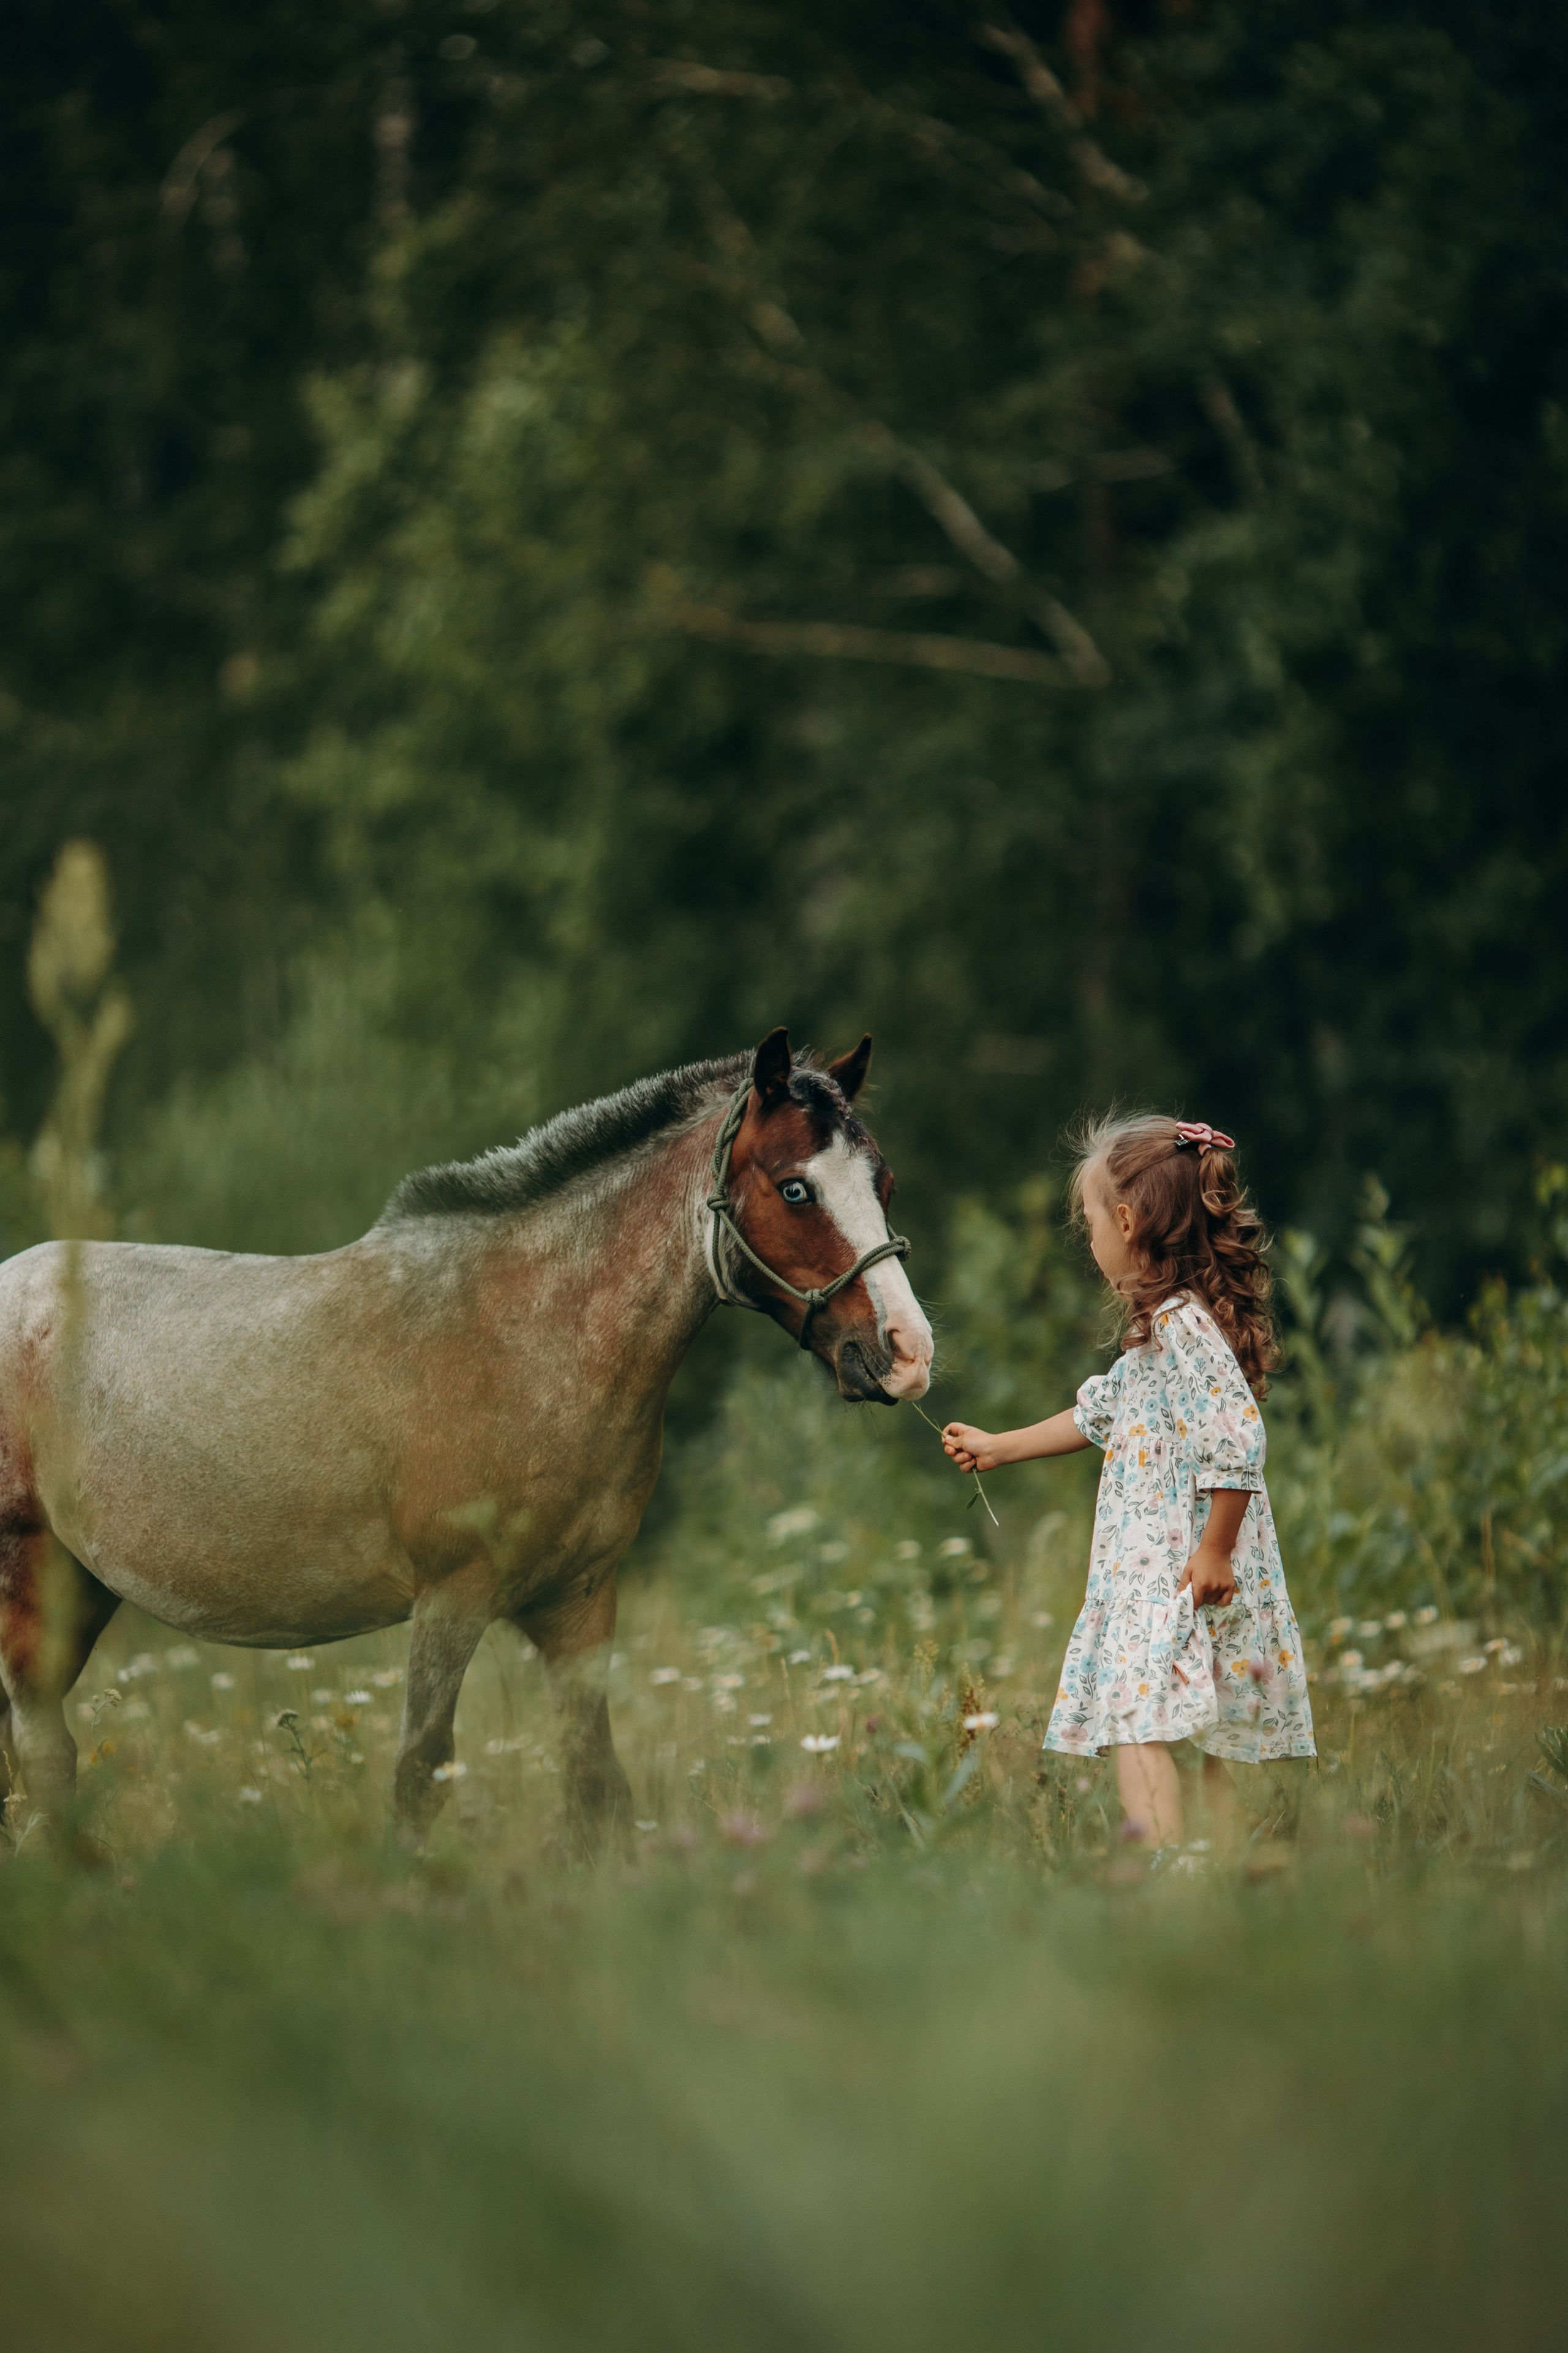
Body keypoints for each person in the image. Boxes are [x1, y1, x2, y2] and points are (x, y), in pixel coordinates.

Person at [942, 1114, 1314, 1853]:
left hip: (1184, 1572)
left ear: (1125, 1221)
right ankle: (1220, 1875)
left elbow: (1237, 1440)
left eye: (1089, 1224)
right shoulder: (1157, 1337)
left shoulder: (1181, 1327)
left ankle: (1172, 1870)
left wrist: (1215, 1550)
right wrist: (998, 1447)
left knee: (1139, 1719)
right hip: (1165, 1572)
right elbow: (1097, 1414)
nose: (1088, 1241)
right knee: (1203, 1727)